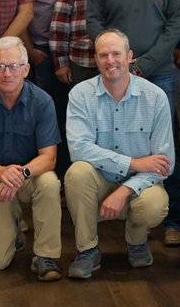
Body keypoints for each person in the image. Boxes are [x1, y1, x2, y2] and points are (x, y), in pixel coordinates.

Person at [85, 0, 180, 243]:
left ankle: (172, 219)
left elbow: (176, 22)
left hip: (158, 74)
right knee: (118, 138)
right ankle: (118, 208)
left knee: (164, 144)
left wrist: (146, 62)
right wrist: (120, 61)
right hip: (114, 73)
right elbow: (94, 22)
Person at [64, 29, 173, 280]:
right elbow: (78, 148)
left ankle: (136, 242)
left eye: (116, 54)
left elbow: (165, 162)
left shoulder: (155, 97)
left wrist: (125, 190)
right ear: (95, 59)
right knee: (77, 172)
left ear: (130, 56)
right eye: (103, 55)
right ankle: (88, 250)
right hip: (99, 180)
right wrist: (133, 162)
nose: (110, 61)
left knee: (154, 205)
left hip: (139, 183)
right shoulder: (80, 94)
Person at [0, 38, 63, 280]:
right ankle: (14, 225)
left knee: (49, 182)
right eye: (0, 66)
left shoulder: (42, 101)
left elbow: (49, 158)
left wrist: (18, 175)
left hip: (30, 177)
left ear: (26, 69)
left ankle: (46, 256)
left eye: (14, 66)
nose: (7, 73)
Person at [24, 0, 72, 173]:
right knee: (48, 116)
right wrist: (30, 49)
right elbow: (21, 9)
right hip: (42, 52)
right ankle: (49, 175)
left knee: (74, 116)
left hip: (76, 52)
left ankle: (71, 175)